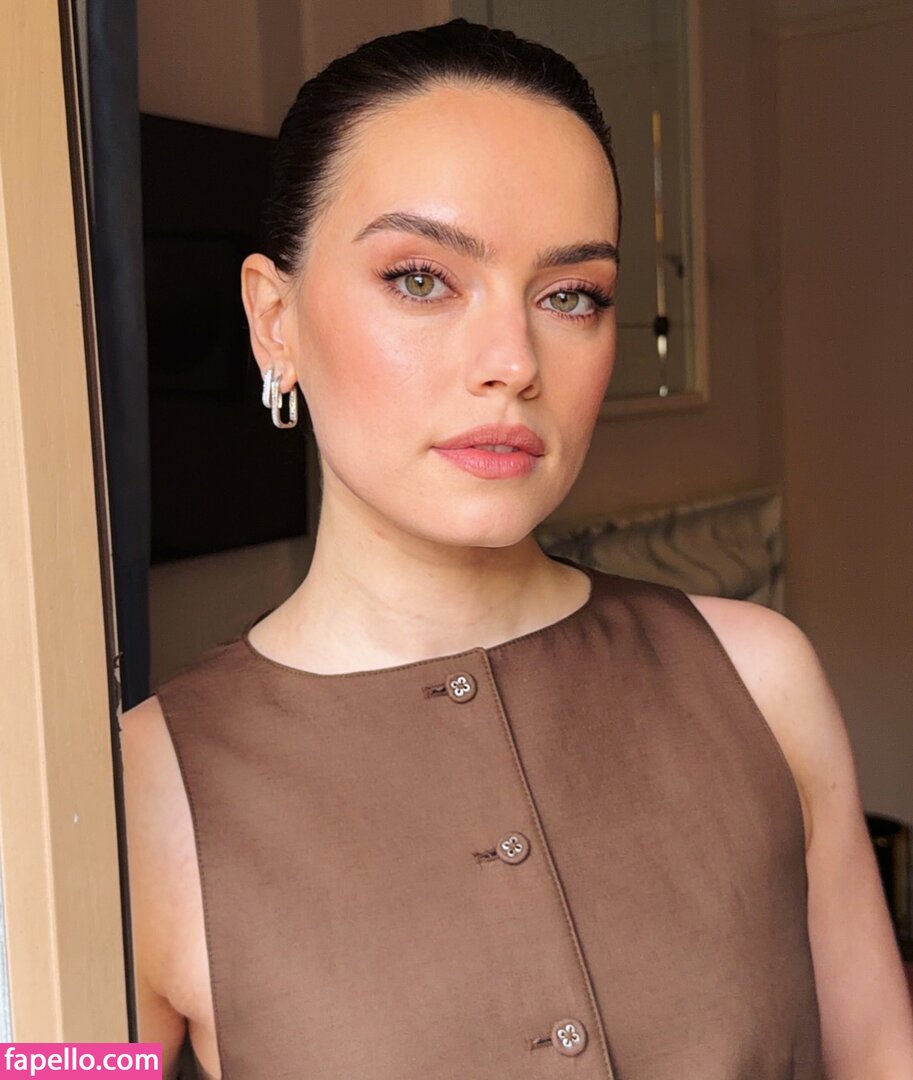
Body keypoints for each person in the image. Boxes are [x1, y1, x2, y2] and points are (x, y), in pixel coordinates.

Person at [119, 17, 913, 1080]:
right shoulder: (138, 791)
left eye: (570, 295)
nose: (512, 361)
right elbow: (58, 1065)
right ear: (275, 320)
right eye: (420, 279)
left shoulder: (760, 679)